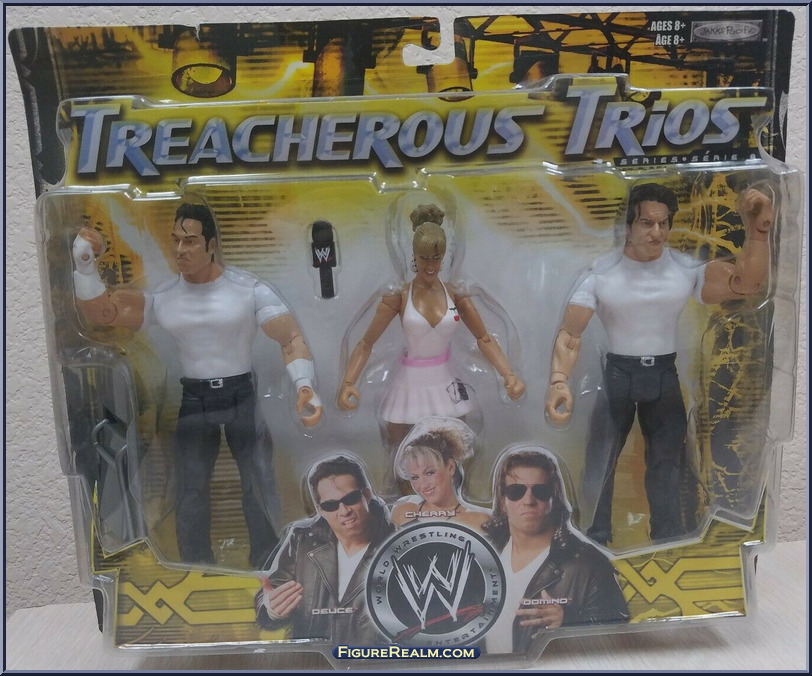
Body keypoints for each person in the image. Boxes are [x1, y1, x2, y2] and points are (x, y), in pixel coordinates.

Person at [71, 200, 323, 568]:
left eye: (189, 241)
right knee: (190, 488)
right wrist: (84, 263)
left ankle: (267, 559)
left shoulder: (248, 290)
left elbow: (291, 338)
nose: (179, 250)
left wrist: (304, 385)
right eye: (175, 240)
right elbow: (104, 312)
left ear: (211, 245)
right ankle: (195, 564)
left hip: (241, 396)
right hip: (195, 398)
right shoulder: (165, 299)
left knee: (258, 482)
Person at [544, 183, 775, 544]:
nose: (657, 232)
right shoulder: (600, 275)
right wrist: (559, 381)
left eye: (664, 223)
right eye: (646, 223)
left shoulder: (684, 271)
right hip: (617, 375)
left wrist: (758, 231)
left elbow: (745, 283)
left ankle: (667, 537)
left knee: (667, 465)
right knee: (601, 460)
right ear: (628, 226)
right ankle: (595, 534)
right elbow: (570, 335)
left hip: (664, 376)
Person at [338, 203, 525, 496]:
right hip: (409, 385)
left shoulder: (455, 295)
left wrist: (508, 374)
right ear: (414, 255)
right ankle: (408, 505)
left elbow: (484, 338)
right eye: (424, 257)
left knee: (452, 453)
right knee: (402, 455)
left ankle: (452, 504)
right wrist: (349, 381)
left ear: (444, 256)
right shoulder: (399, 297)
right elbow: (366, 342)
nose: (430, 265)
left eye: (436, 258)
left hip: (445, 383)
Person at [482, 447, 628, 655]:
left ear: (554, 499)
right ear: (503, 501)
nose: (528, 501)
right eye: (516, 492)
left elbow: (618, 634)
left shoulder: (590, 565)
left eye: (541, 491)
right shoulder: (481, 554)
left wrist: (569, 622)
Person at [255, 454, 394, 645]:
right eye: (331, 505)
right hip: (313, 659)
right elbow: (270, 593)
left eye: (351, 498)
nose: (344, 511)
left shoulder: (400, 544)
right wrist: (271, 609)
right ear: (320, 509)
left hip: (377, 659)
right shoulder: (302, 539)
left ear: (367, 495)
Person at [390, 417, 490, 532]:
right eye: (415, 477)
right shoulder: (402, 512)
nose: (423, 485)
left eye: (429, 473)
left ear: (450, 467)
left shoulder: (478, 521)